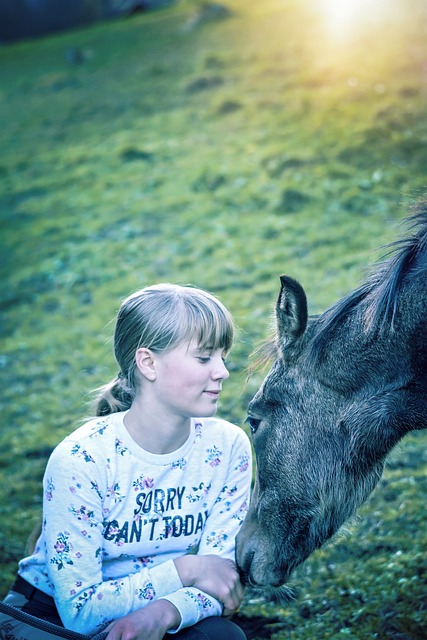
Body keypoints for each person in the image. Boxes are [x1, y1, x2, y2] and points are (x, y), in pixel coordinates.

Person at [0, 283, 252, 640]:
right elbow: (81, 614)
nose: (223, 371)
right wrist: (186, 569)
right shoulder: (80, 459)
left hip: (157, 609)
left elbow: (222, 581)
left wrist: (164, 612)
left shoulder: (228, 447)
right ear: (148, 362)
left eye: (222, 356)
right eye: (204, 357)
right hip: (48, 614)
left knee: (223, 637)